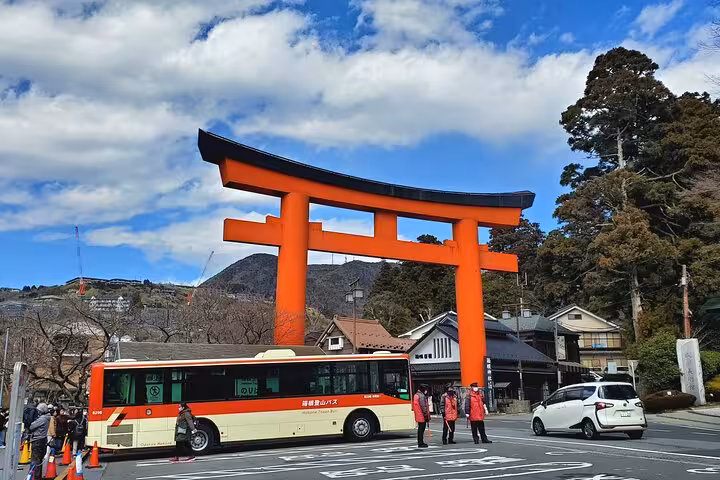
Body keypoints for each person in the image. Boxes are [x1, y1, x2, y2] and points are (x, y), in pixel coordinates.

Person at [28, 403, 51, 480]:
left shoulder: (42, 419)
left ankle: (36, 476)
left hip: (37, 440)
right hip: (43, 439)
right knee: (39, 459)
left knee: (36, 459)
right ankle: (38, 476)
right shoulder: (47, 418)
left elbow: (31, 426)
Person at [412, 384, 430, 448]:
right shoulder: (421, 396)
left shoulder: (416, 395)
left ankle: (420, 442)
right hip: (422, 415)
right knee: (421, 430)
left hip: (418, 415)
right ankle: (421, 443)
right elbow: (423, 407)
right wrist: (426, 416)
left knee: (420, 429)